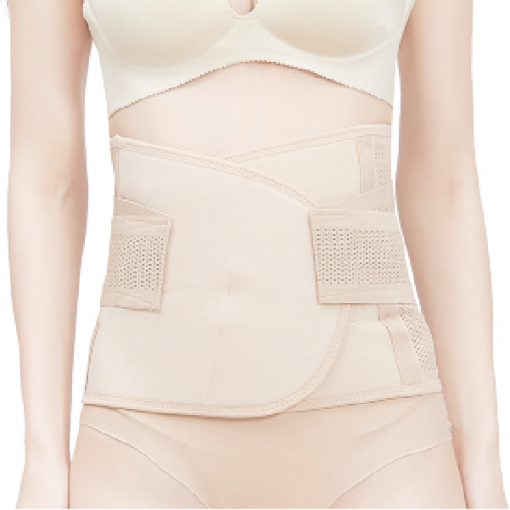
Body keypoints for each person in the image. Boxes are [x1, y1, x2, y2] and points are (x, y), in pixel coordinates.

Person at [8, 0, 507, 508]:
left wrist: (483, 458)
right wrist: (42, 456)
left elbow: (442, 183)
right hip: (140, 434)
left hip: (382, 435)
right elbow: (47, 182)